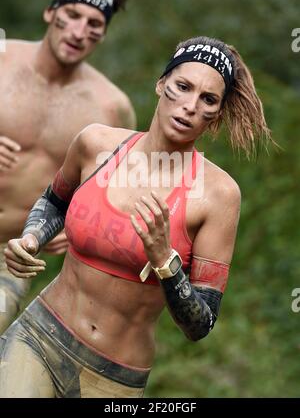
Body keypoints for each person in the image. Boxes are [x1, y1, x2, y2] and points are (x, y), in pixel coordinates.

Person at [0, 36, 272, 398]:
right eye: (183, 86)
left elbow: (200, 323)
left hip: (114, 376)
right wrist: (32, 237)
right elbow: (54, 202)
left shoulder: (218, 195)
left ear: (217, 114)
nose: (190, 106)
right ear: (161, 84)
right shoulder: (95, 144)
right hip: (39, 335)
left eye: (207, 99)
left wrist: (165, 262)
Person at [0, 0, 136, 333]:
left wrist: (75, 222)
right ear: (50, 12)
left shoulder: (111, 108)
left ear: (103, 35)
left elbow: (118, 197)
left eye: (94, 23)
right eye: (73, 15)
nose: (80, 31)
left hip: (9, 254)